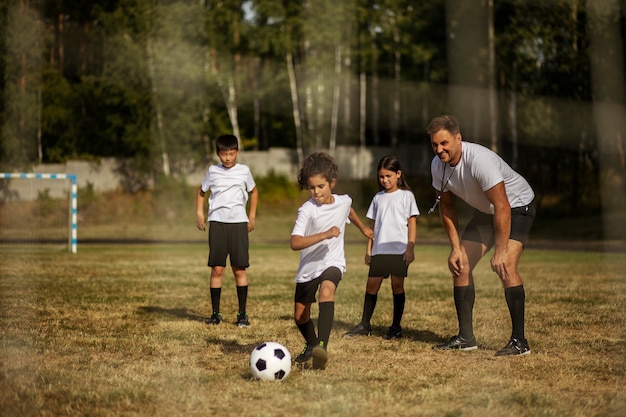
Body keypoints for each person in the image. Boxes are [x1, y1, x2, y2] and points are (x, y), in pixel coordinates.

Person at [426, 115, 536, 356]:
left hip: (516, 207)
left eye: (444, 143)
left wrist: (501, 250)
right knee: (461, 265)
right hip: (486, 212)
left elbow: (503, 206)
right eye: (434, 144)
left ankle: (520, 342)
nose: (439, 149)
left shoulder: (480, 160)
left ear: (458, 138)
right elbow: (447, 207)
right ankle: (466, 337)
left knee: (506, 265)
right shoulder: (437, 165)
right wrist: (455, 248)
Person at [290, 152, 373, 370]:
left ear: (331, 183)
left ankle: (322, 349)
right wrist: (324, 234)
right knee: (300, 315)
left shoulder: (344, 201)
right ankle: (311, 344)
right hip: (309, 267)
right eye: (312, 187)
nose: (316, 192)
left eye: (320, 186)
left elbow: (349, 210)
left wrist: (363, 227)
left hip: (333, 261)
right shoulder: (307, 210)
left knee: (327, 291)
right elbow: (295, 242)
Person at [343, 155, 419, 340]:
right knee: (371, 286)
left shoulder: (406, 196)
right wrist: (369, 249)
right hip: (379, 249)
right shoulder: (378, 198)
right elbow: (373, 226)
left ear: (398, 174)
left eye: (388, 176)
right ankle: (364, 324)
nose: (384, 180)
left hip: (399, 250)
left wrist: (410, 248)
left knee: (397, 286)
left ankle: (395, 327)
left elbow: (412, 223)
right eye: (381, 176)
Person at [196, 134, 258, 328]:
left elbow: (254, 191)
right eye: (224, 154)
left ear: (237, 153)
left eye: (231, 154)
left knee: (239, 268)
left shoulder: (244, 171)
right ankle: (215, 314)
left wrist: (252, 216)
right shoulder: (212, 171)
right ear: (218, 154)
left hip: (239, 223)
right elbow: (202, 192)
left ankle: (242, 315)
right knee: (217, 269)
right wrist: (200, 213)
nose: (228, 158)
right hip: (217, 223)